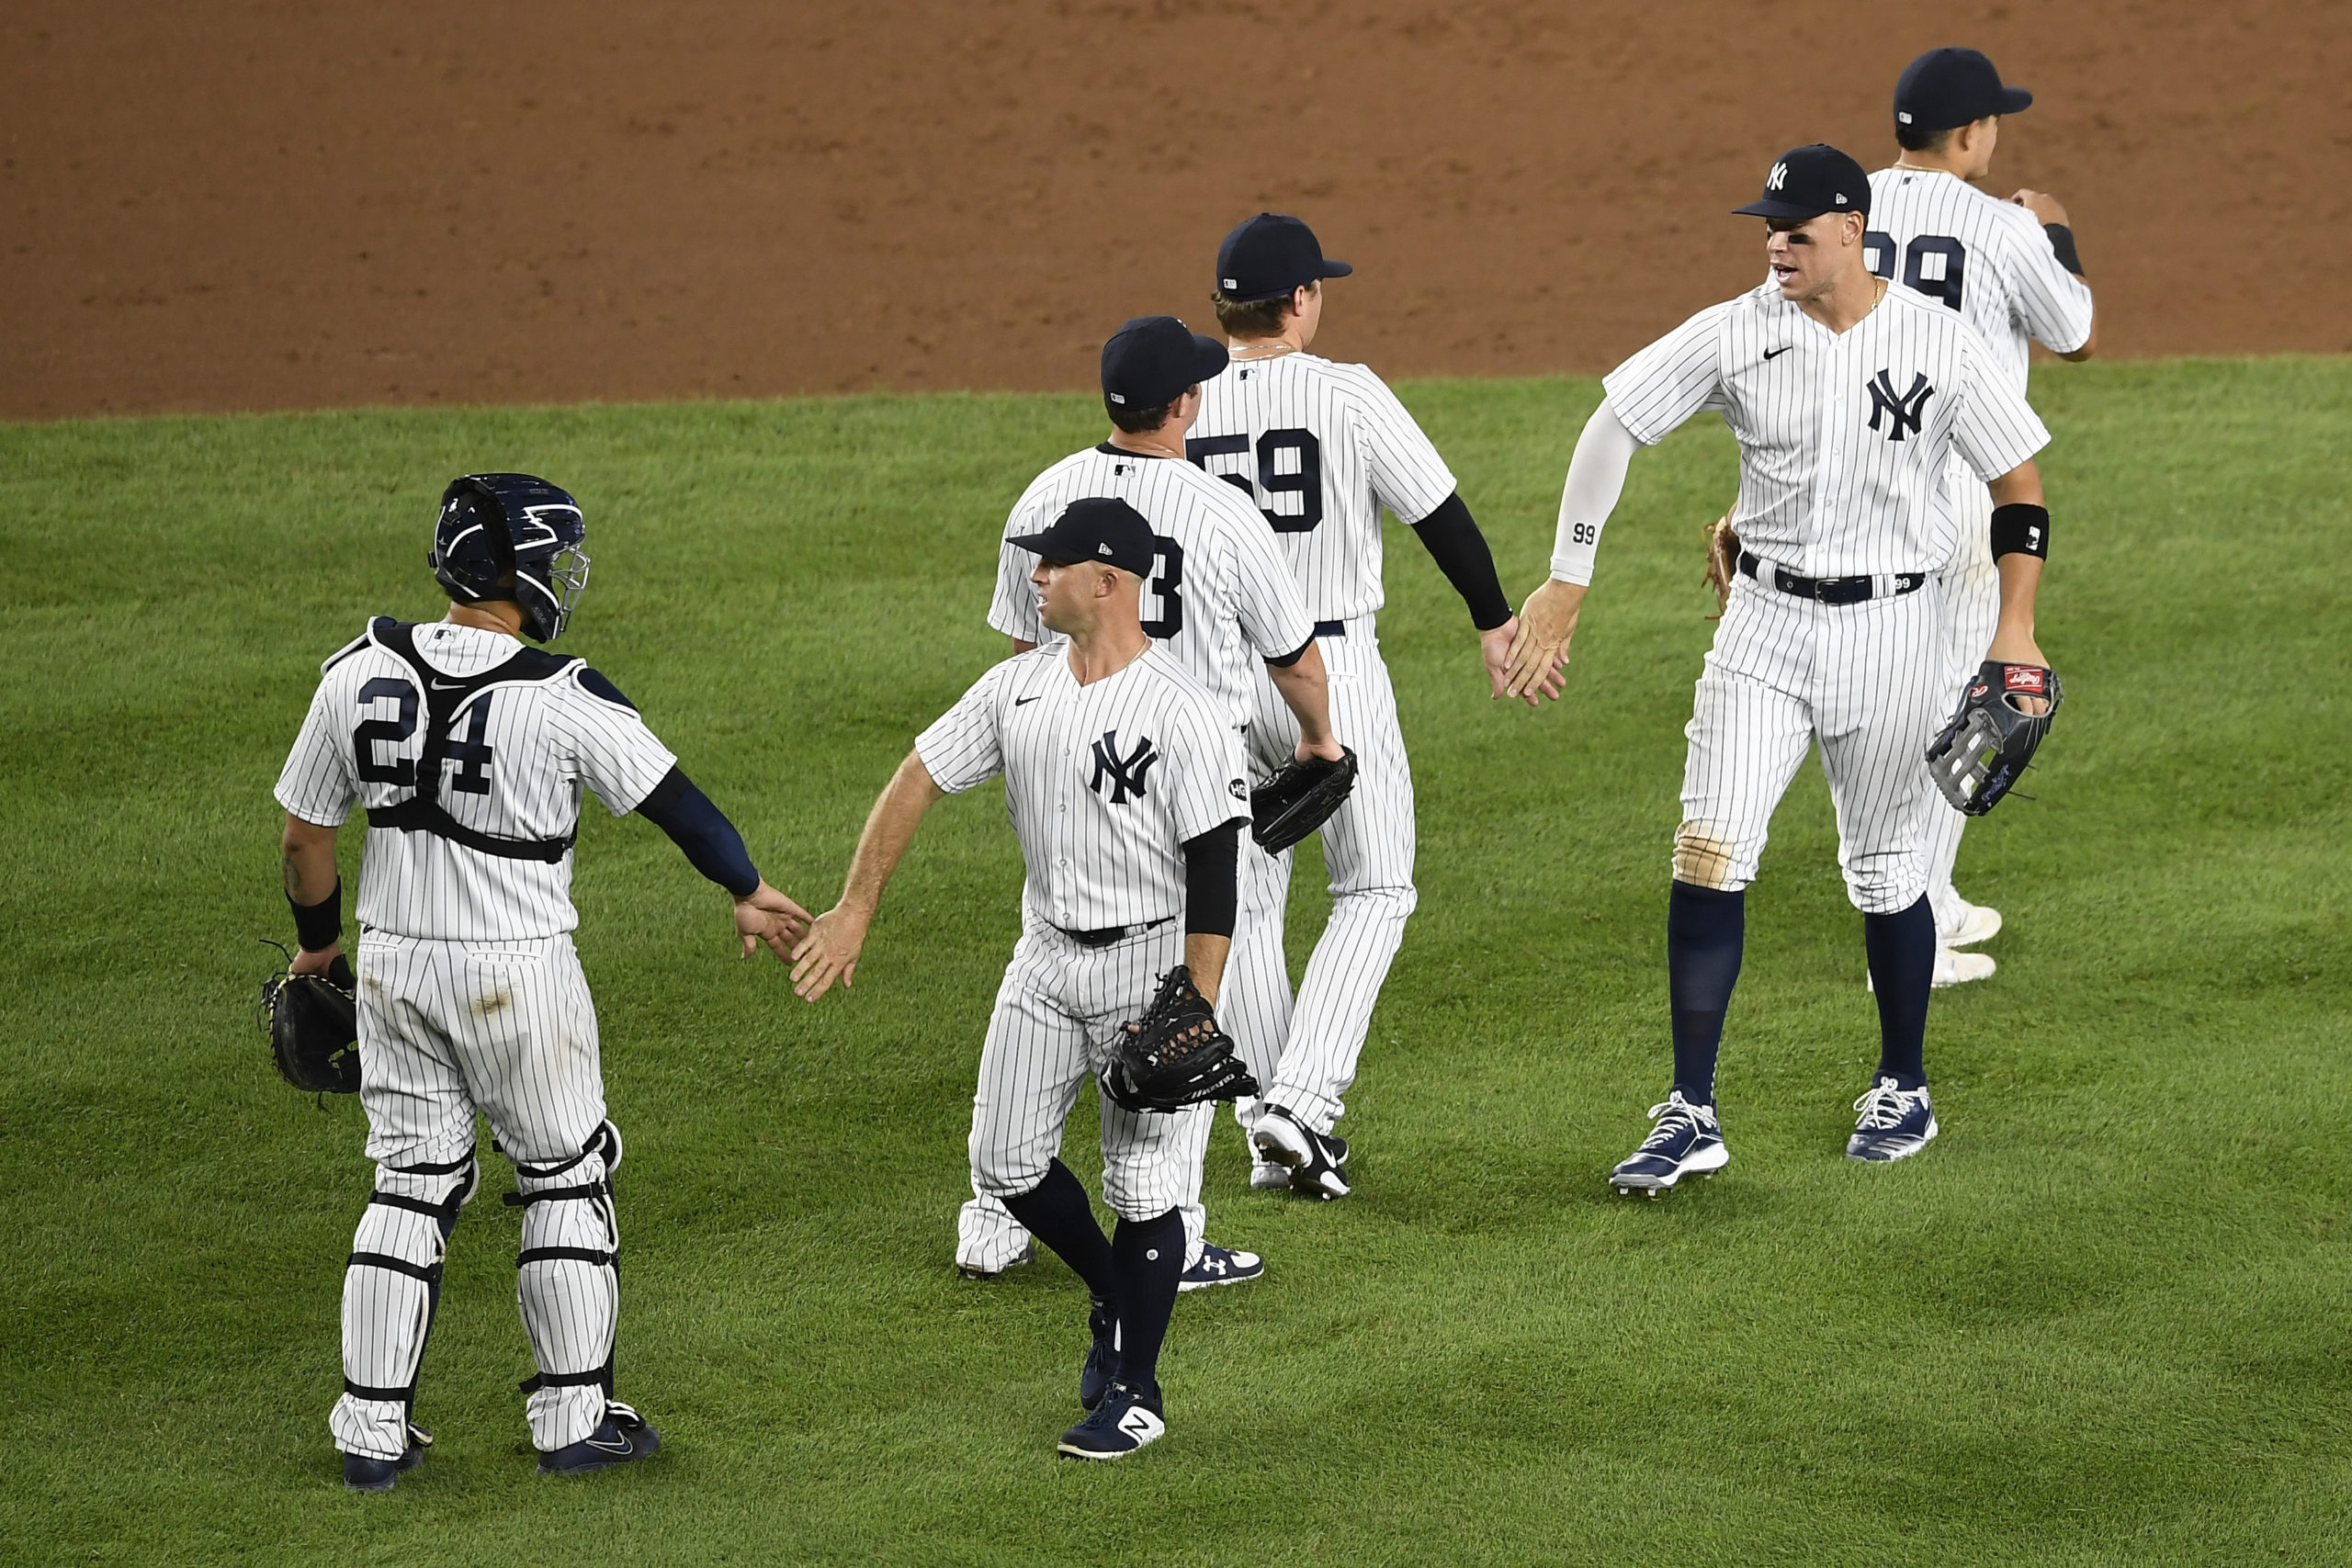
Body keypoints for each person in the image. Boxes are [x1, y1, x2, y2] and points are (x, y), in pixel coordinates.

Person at [1504, 145, 2059, 1190]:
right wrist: (1567, 577)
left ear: (1851, 232)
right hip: (1760, 626)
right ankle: (1689, 1111)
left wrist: (2014, 629)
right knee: (1706, 851)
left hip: (1894, 630)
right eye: (1768, 228)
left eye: (1796, 231)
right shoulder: (1737, 330)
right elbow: (1614, 423)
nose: (1775, 246)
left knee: (1890, 872)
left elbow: (2016, 484)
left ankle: (1904, 1086)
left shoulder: (1936, 342)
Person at [272, 473, 809, 1490]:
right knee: (564, 1174)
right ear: (512, 571)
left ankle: (372, 1434)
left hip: (391, 962)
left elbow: (306, 835)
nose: (564, 574)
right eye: (551, 556)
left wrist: (317, 948)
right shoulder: (564, 694)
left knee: (409, 1184)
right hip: (519, 971)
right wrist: (745, 888)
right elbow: (680, 807)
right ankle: (573, 1417)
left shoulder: (357, 670)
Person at [789, 499, 1251, 1459]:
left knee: (1142, 1182)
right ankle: (1112, 1293)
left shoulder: (1185, 711)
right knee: (1002, 1162)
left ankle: (1137, 1389)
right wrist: (855, 906)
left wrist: (1195, 1004)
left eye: (1052, 565)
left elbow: (1216, 866)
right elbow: (920, 771)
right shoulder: (1018, 689)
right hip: (1042, 958)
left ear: (1107, 580)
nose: (1034, 578)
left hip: (1149, 965)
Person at [955, 313, 1341, 1284]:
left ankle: (996, 1209)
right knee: (1188, 1009)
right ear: (1184, 405)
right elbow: (1293, 659)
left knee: (1044, 969)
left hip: (1066, 778)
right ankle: (1175, 1230)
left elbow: (1018, 658)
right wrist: (1319, 741)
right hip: (1189, 784)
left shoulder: (1044, 495)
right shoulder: (1221, 513)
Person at [1187, 212, 1562, 1199]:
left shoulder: (1182, 409)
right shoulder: (1346, 395)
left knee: (1252, 902)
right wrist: (1493, 621)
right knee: (1375, 887)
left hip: (1215, 682)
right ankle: (1301, 1106)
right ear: (1299, 300)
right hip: (1329, 671)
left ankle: (1267, 1108)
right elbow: (1438, 513)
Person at [1862, 45, 2096, 983]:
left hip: (1857, 475)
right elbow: (2075, 333)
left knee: (1909, 691)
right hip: (1964, 493)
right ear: (1968, 134)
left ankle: (1936, 897)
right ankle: (1902, 943)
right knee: (1954, 703)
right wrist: (2058, 231)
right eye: (1993, 120)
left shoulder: (1845, 205)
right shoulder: (2004, 228)